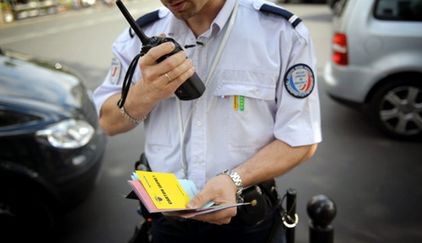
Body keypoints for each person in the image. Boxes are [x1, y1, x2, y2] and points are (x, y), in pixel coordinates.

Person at [92, 0, 321, 242]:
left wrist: (234, 179)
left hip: (247, 220)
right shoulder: (139, 35)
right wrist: (144, 93)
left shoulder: (280, 32)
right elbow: (107, 122)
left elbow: (301, 139)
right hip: (165, 219)